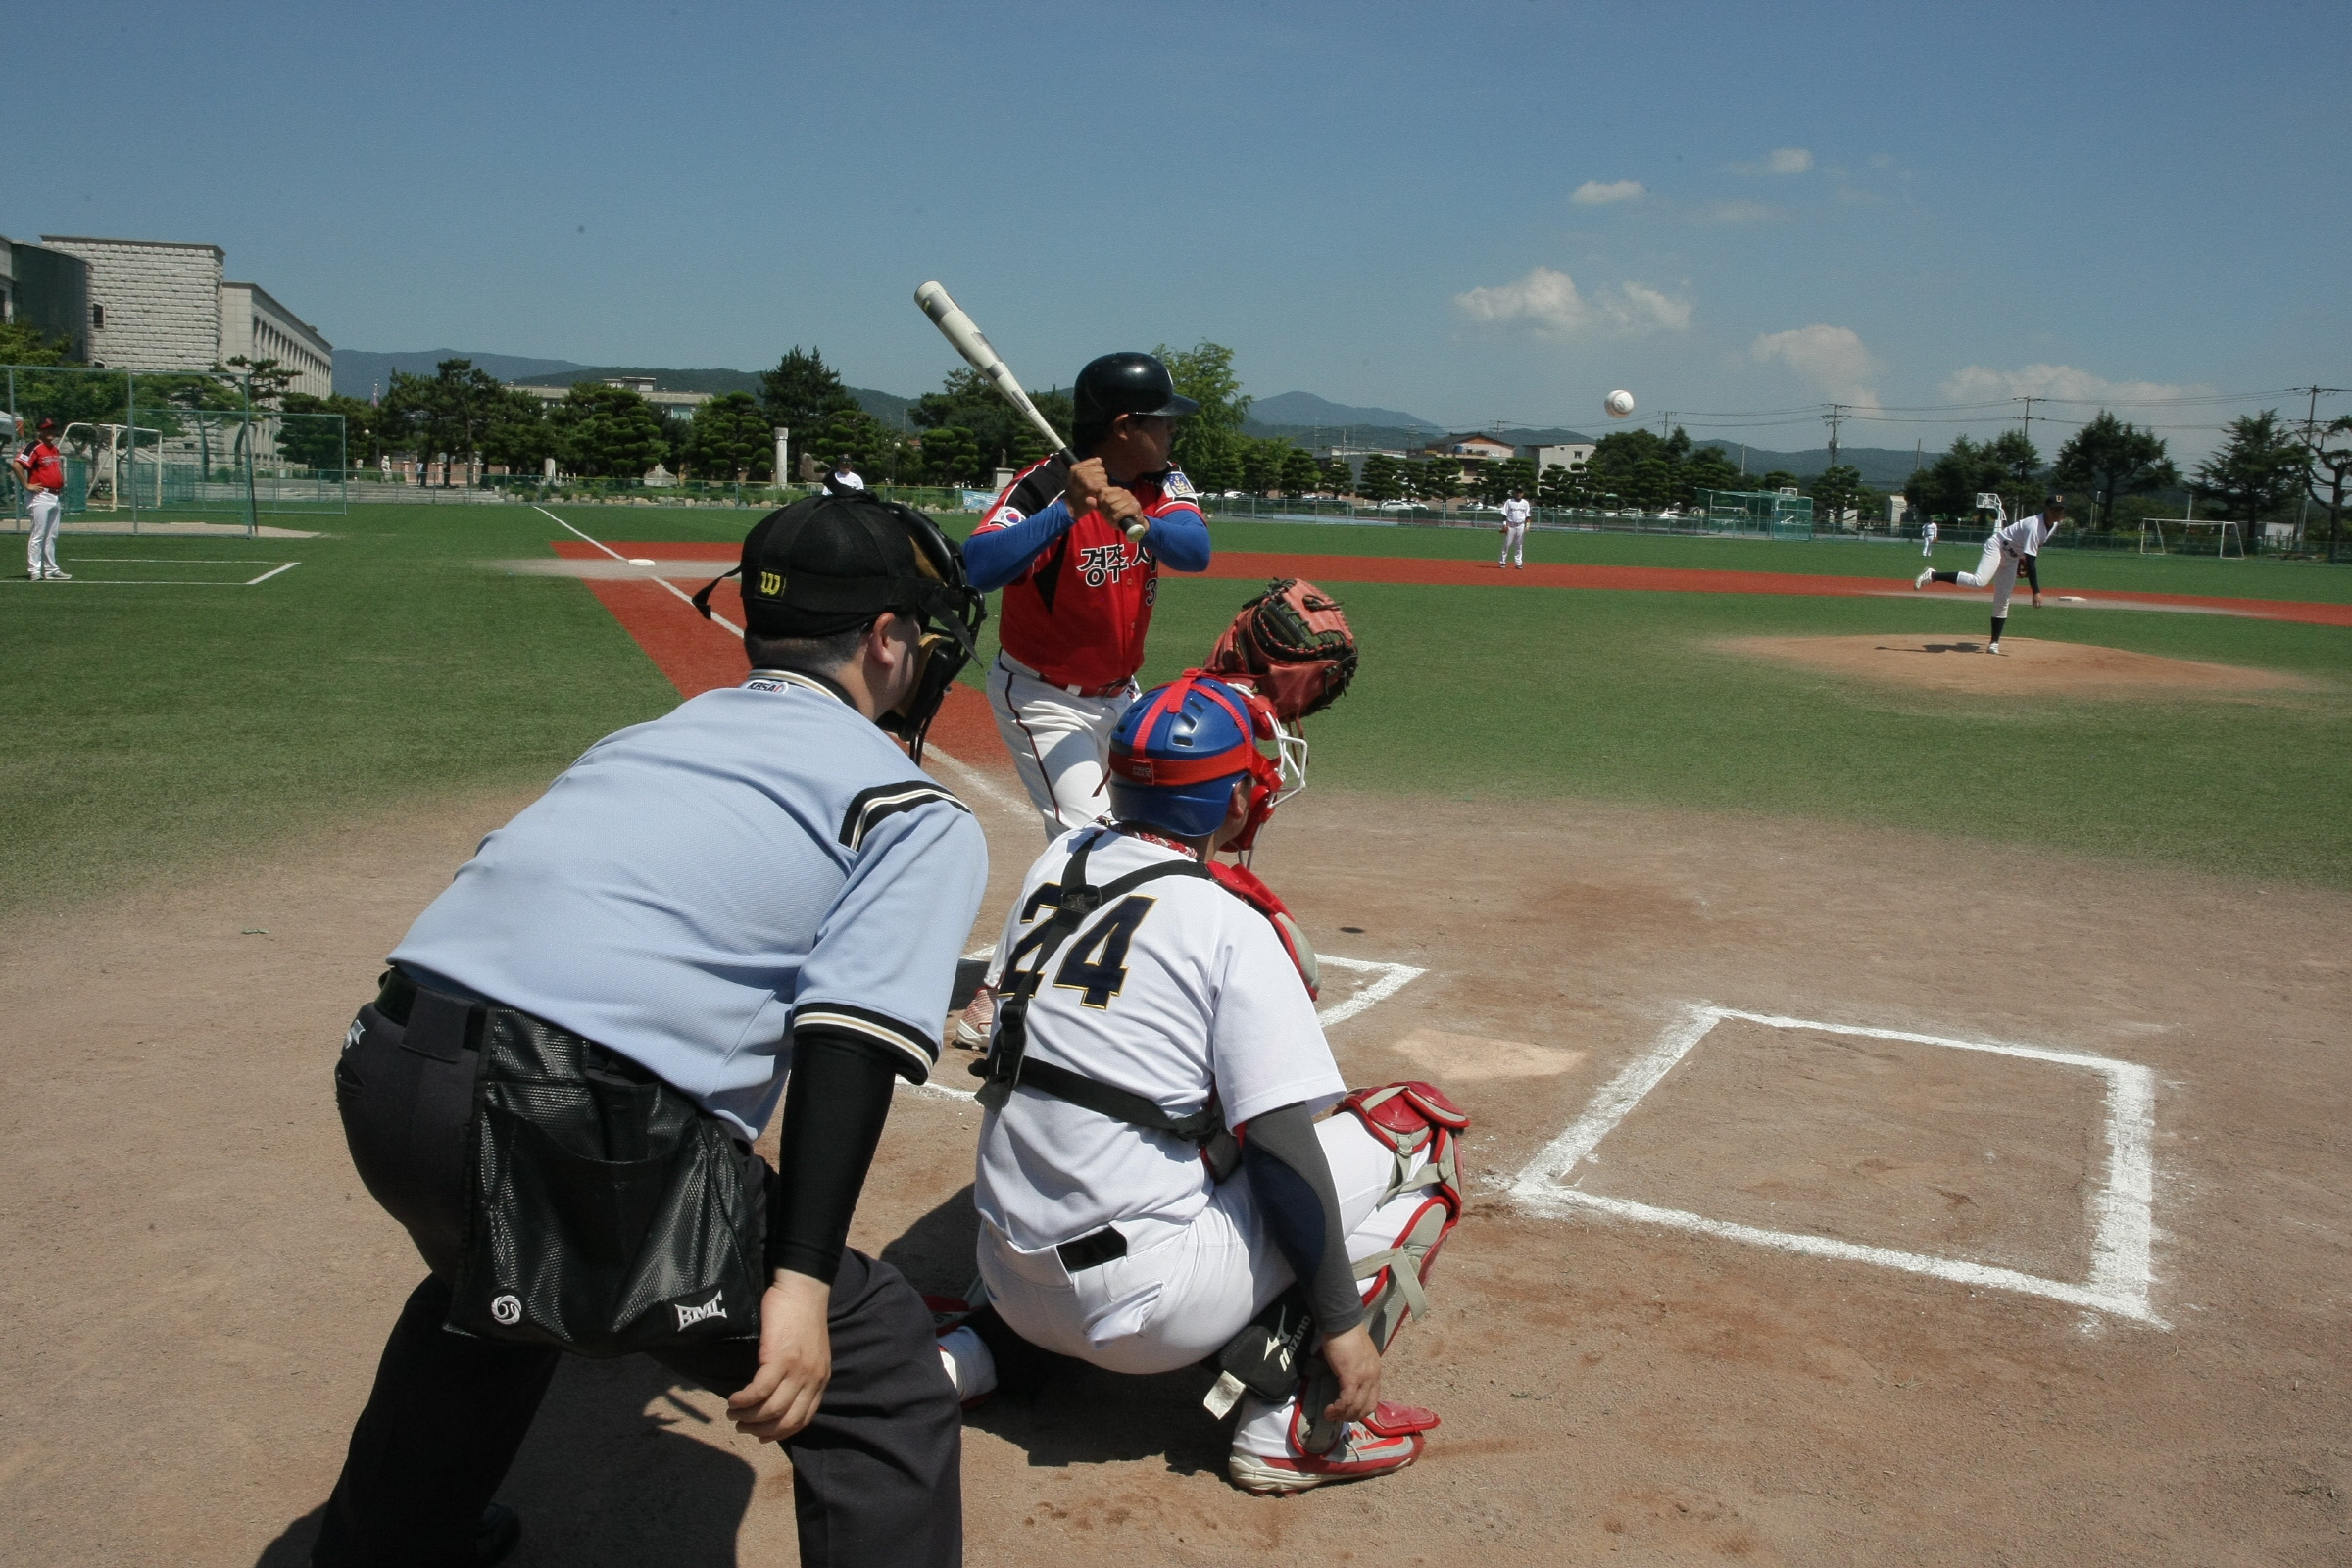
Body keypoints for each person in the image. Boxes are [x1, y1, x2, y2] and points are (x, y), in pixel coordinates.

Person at [313, 493, 990, 1568]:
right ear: (888, 639)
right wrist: (801, 1287)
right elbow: (845, 1045)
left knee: (489, 1290)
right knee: (879, 1365)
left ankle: (387, 1543)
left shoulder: (651, 734)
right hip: (553, 1110)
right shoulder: (909, 808)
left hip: (390, 1067)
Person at [939, 673, 1467, 1494]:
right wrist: (1339, 1321)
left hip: (1005, 1279)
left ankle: (976, 1354)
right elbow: (1284, 1150)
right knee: (1416, 1132)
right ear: (1231, 804)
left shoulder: (1058, 860)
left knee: (1117, 1115)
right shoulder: (1229, 923)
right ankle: (1289, 1427)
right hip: (1146, 1312)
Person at [951, 352, 1214, 1047]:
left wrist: (1144, 524)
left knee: (1157, 826)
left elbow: (1195, 550)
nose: (1172, 434)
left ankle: (1136, 966)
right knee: (1090, 838)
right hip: (1043, 695)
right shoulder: (1042, 487)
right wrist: (1069, 508)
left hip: (1120, 691)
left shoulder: (1158, 481)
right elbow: (977, 567)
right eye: (1162, 422)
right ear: (1125, 426)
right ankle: (995, 995)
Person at [1914, 492, 2066, 655]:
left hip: (2012, 558)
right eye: (2053, 509)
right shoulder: (2034, 526)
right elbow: (2031, 561)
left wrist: (2020, 558)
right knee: (1979, 581)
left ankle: (1994, 642)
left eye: (2060, 509)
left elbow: (2032, 550)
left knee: (2003, 598)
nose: (2057, 513)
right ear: (2046, 508)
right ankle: (1933, 575)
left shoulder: (2053, 525)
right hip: (1998, 547)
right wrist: (2036, 591)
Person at [14, 416, 67, 581]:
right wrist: (27, 485)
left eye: (52, 429)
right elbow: (16, 465)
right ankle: (35, 570)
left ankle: (51, 569)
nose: (50, 432)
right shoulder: (34, 446)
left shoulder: (54, 449)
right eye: (47, 429)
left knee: (52, 535)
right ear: (40, 431)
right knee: (39, 534)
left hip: (54, 495)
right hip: (40, 495)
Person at [1498, 487, 1532, 568]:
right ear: (1515, 493)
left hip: (1520, 526)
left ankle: (1518, 563)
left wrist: (1527, 526)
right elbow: (1504, 514)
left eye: (1520, 492)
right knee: (1507, 544)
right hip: (1510, 525)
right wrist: (1504, 524)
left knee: (1519, 545)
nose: (1518, 494)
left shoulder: (1525, 503)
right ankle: (1502, 562)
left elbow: (1528, 516)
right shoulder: (1509, 501)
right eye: (1517, 492)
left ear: (1522, 494)